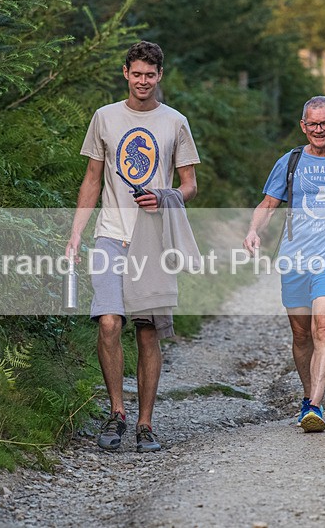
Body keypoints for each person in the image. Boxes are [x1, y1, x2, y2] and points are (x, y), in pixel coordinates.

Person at [66, 41, 199, 452]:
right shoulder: (105, 117)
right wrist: (75, 234)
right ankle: (116, 413)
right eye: (136, 73)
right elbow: (92, 178)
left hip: (152, 240)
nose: (143, 81)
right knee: (109, 322)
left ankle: (145, 424)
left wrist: (165, 196)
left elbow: (190, 185)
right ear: (125, 73)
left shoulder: (175, 122)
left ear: (160, 76)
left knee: (146, 333)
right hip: (110, 234)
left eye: (150, 74)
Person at [243, 96, 325, 432]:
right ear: (303, 126)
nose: (319, 130)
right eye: (312, 124)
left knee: (324, 327)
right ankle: (307, 397)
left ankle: (316, 404)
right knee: (301, 334)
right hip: (295, 260)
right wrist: (253, 231)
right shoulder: (289, 162)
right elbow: (268, 203)